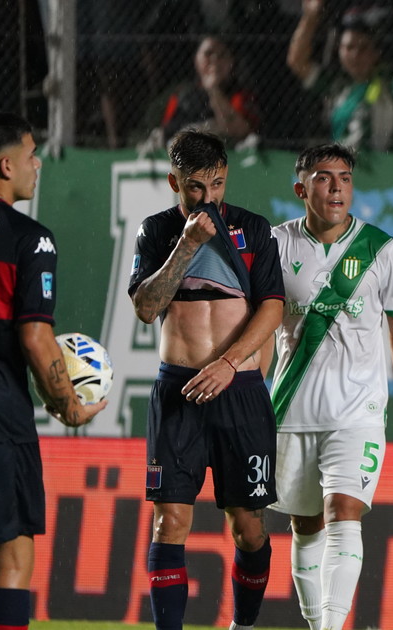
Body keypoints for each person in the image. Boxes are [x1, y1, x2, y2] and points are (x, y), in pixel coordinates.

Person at [0, 111, 107, 630]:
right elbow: (36, 337)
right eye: (31, 155)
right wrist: (69, 406)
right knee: (13, 560)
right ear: (5, 166)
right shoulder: (29, 238)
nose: (37, 164)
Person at [128, 129, 285, 630]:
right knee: (169, 521)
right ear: (174, 182)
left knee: (248, 528)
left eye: (216, 183)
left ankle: (243, 626)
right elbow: (146, 308)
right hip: (179, 391)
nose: (208, 196)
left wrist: (229, 363)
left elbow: (272, 310)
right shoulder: (156, 231)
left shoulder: (254, 230)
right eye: (196, 186)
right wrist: (187, 244)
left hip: (240, 392)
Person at [269, 143, 393, 629]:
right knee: (305, 524)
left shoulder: (382, 250)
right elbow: (256, 324)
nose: (336, 187)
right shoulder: (275, 245)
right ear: (301, 189)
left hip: (358, 411)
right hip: (291, 409)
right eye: (323, 177)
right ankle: (317, 622)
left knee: (344, 512)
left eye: (345, 178)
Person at [287, 0, 393, 152]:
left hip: (385, 163)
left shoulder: (387, 82)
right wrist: (310, 17)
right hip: (342, 162)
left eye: (363, 48)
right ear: (339, 51)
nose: (355, 55)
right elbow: (297, 62)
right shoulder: (335, 84)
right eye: (349, 47)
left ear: (375, 53)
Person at [160, 36, 261, 143]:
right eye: (208, 54)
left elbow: (238, 132)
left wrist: (213, 90)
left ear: (231, 62)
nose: (214, 60)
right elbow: (166, 132)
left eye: (222, 55)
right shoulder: (181, 94)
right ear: (196, 59)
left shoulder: (241, 95)